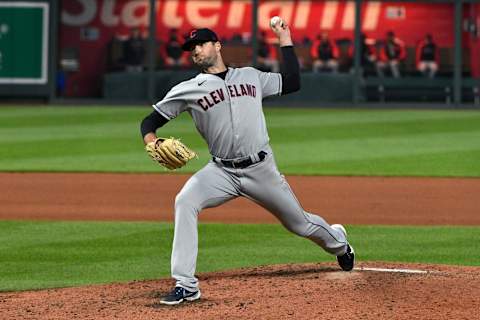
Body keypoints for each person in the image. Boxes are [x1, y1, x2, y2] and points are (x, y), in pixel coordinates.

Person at [140, 22, 355, 306]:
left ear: (217, 46)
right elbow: (150, 121)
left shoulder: (250, 76)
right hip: (221, 171)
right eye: (191, 48)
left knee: (299, 223)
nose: (195, 50)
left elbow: (292, 82)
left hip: (260, 169)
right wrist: (152, 141)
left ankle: (339, 242)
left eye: (200, 44)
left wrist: (285, 38)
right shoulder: (188, 89)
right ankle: (185, 283)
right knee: (185, 201)